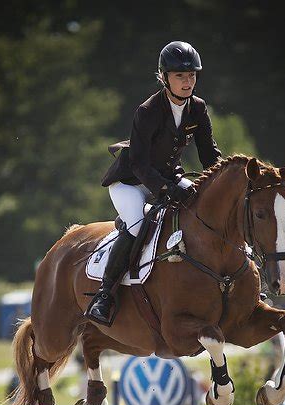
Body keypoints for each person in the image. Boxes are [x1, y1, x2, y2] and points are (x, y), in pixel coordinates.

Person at [86, 41, 221, 325]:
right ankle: (104, 295)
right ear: (164, 77)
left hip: (168, 176)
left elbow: (209, 153)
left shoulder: (197, 108)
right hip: (131, 182)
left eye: (192, 76)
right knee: (136, 225)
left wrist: (224, 181)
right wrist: (163, 189)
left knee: (198, 210)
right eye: (180, 76)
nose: (187, 82)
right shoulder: (148, 110)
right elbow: (138, 162)